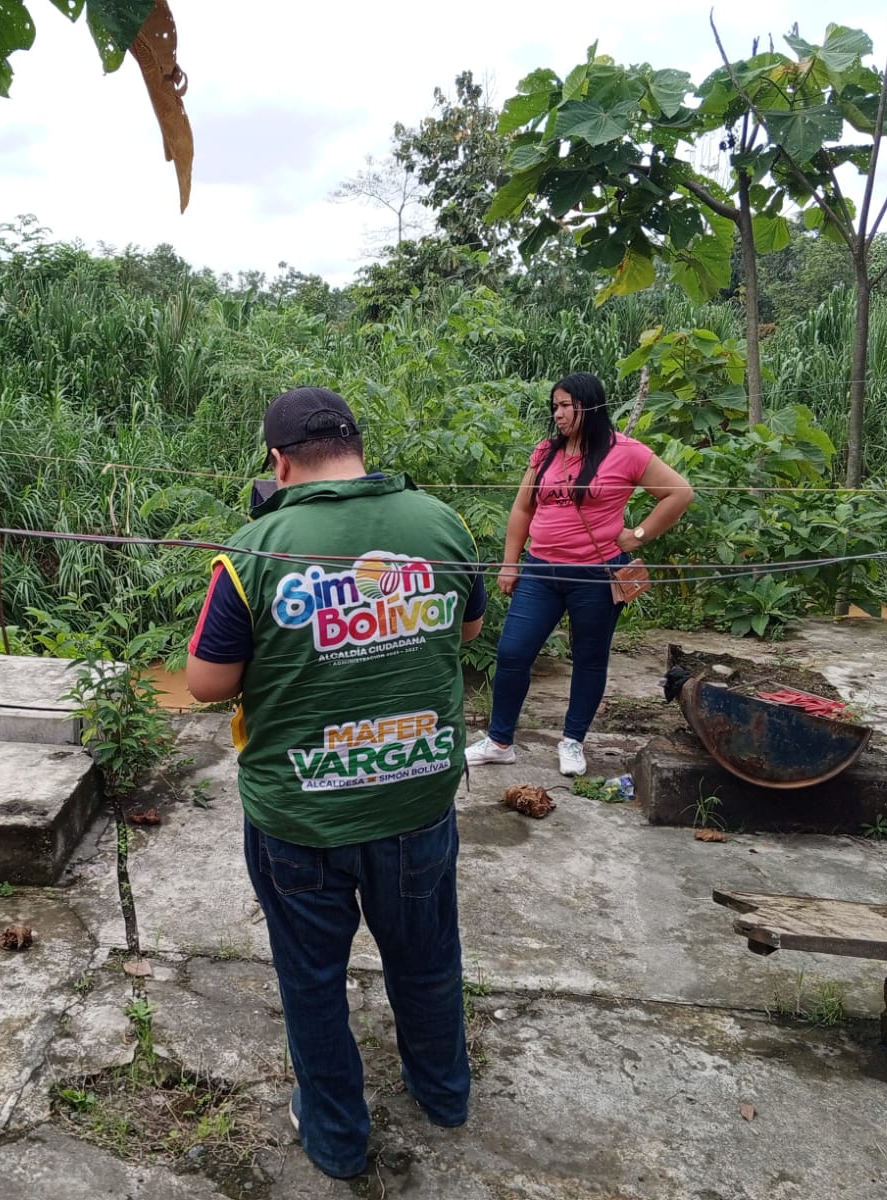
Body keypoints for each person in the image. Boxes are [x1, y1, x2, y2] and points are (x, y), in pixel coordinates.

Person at [184, 386, 487, 1180]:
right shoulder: (441, 524)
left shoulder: (255, 549)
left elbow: (207, 683)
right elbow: (468, 627)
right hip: (415, 799)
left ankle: (338, 1140)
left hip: (300, 816)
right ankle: (444, 1093)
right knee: (428, 959)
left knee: (313, 980)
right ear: (357, 447)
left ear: (278, 463)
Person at [466, 372, 694, 777]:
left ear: (589, 405)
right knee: (513, 652)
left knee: (589, 657)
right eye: (554, 406)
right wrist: (510, 562)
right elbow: (523, 508)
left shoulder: (626, 452)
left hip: (595, 575)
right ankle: (499, 742)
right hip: (540, 571)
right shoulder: (545, 452)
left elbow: (679, 492)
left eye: (566, 406)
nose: (558, 414)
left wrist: (638, 535)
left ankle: (572, 741)